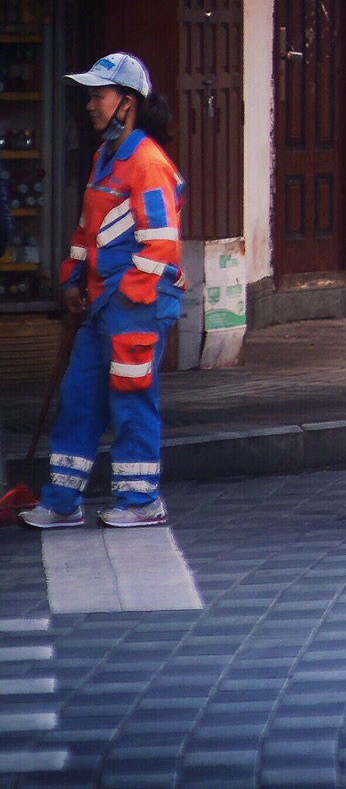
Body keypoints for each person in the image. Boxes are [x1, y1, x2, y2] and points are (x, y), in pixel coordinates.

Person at [25, 54, 182, 530]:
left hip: (135, 304)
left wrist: (125, 300)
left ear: (127, 103)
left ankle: (141, 500)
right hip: (105, 303)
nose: (90, 105)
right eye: (90, 95)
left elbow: (161, 243)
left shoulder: (147, 163)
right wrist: (73, 281)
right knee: (80, 399)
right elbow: (87, 230)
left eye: (99, 95)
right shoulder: (105, 157)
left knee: (131, 399)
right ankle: (62, 501)